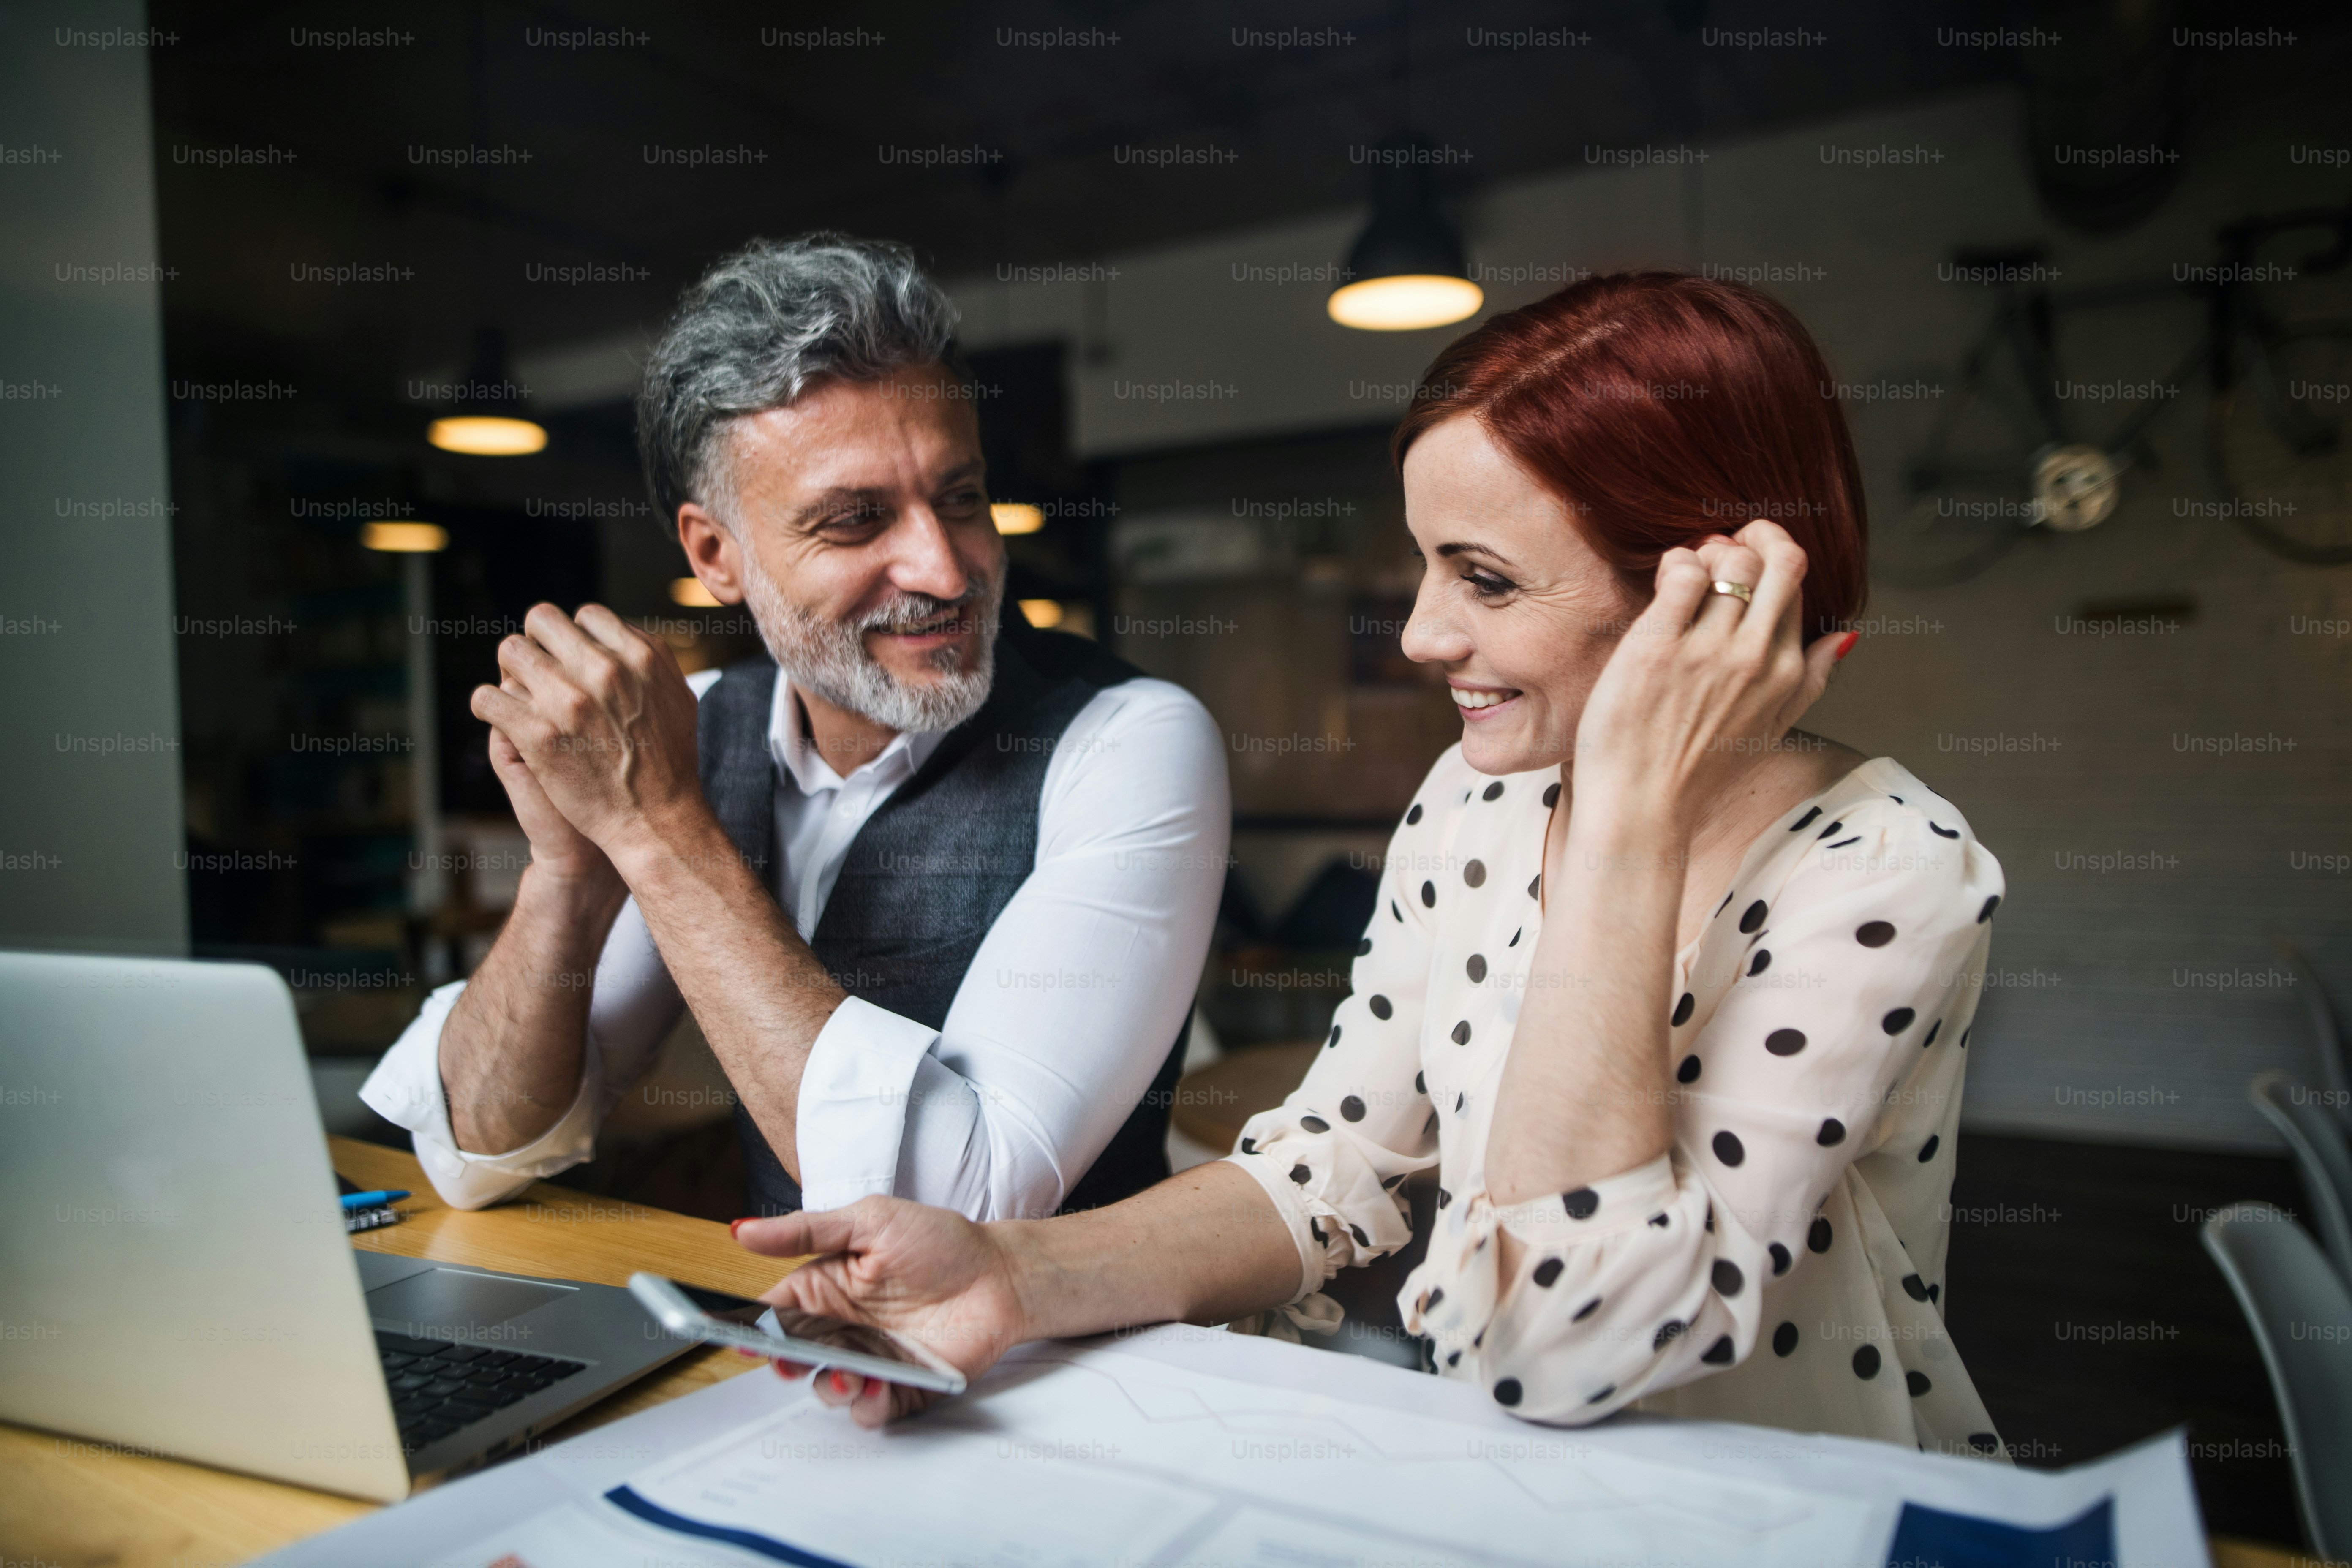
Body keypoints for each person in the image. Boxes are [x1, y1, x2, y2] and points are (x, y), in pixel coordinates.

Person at [730, 272, 2012, 1456]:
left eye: (1487, 580)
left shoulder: (1887, 868)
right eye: (1425, 564)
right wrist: (1008, 1275)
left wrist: (1628, 818)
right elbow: (1323, 1170)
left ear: (1715, 599)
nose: (1417, 633)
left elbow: (1569, 1341)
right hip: (1517, 1502)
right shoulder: (1475, 800)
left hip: (1786, 1518)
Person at [362, 234, 1228, 1224]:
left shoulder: (1128, 742)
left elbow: (961, 1205)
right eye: (857, 521)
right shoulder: (702, 737)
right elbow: (482, 1148)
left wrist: (653, 829)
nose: (946, 571)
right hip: (794, 1356)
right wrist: (570, 872)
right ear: (716, 554)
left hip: (1074, 1372)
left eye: (961, 497)